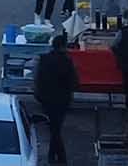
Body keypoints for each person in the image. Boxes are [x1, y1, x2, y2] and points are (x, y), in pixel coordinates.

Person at [34, 34, 78, 165]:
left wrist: (39, 94)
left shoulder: (44, 59)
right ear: (63, 47)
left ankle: (54, 156)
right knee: (56, 128)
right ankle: (59, 158)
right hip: (62, 100)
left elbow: (38, 79)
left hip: (47, 99)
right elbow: (74, 82)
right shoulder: (67, 62)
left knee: (54, 127)